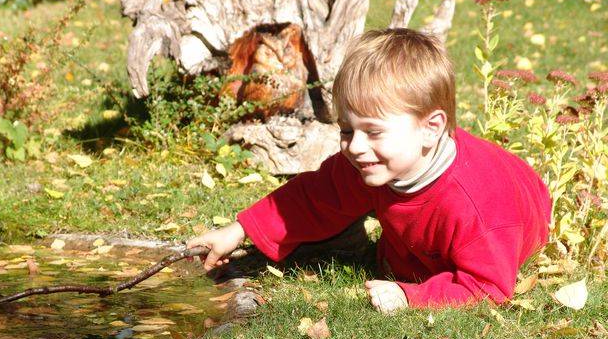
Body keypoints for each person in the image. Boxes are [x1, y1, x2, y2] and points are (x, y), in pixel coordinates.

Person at [186, 28, 552, 313]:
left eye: (373, 131)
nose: (355, 146)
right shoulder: (378, 159)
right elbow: (313, 196)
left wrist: (411, 295)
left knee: (425, 262)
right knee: (339, 215)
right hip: (425, 200)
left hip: (513, 217)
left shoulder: (478, 207)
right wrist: (238, 230)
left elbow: (488, 286)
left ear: (431, 128)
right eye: (346, 130)